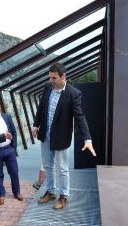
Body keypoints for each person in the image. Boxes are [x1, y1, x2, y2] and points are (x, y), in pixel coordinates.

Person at [32, 62, 96, 209]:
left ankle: (64, 195)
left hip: (61, 137)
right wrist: (36, 125)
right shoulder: (48, 87)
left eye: (54, 78)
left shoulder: (73, 94)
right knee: (48, 165)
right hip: (46, 135)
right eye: (50, 78)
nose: (51, 81)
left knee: (62, 168)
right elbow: (41, 107)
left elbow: (80, 117)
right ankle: (50, 191)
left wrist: (87, 139)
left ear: (63, 76)